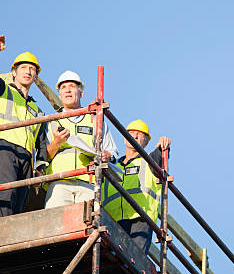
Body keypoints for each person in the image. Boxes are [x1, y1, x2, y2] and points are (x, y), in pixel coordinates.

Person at [0, 35, 49, 218]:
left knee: (19, 202)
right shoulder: (2, 90)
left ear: (35, 76)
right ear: (14, 72)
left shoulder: (37, 111)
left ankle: (10, 238)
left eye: (32, 69)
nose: (28, 71)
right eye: (23, 67)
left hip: (25, 156)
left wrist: (40, 170)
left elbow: (41, 145)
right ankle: (0, 233)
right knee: (5, 193)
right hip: (2, 147)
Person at [41, 70, 118, 208]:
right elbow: (44, 156)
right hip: (59, 182)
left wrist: (108, 155)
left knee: (87, 226)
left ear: (81, 93)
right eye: (63, 87)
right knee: (57, 226)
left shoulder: (95, 121)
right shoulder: (52, 122)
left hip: (88, 183)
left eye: (72, 86)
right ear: (59, 95)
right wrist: (57, 142)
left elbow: (112, 152)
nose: (68, 90)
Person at [102, 120, 171, 255]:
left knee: (135, 259)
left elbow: (159, 158)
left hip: (141, 218)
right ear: (124, 138)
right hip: (114, 218)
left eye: (140, 134)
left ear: (146, 142)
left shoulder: (148, 161)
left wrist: (163, 145)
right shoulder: (113, 164)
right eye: (131, 133)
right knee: (113, 257)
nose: (135, 136)